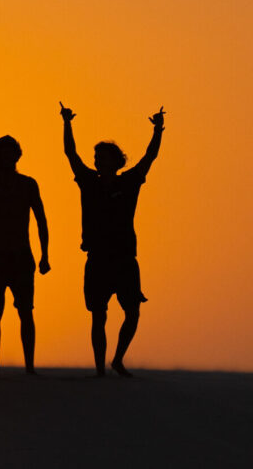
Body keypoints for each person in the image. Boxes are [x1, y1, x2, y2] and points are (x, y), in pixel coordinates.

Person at [61, 102, 165, 377]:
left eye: (103, 157)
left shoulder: (128, 183)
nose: (98, 161)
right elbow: (70, 154)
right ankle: (99, 369)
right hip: (97, 259)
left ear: (115, 161)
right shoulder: (88, 181)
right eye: (96, 157)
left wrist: (158, 130)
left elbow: (149, 157)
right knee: (98, 315)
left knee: (132, 313)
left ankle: (117, 359)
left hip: (124, 259)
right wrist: (67, 123)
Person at [0, 136, 50, 376]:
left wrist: (45, 254)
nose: (6, 157)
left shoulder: (28, 185)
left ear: (17, 156)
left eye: (10, 152)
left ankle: (29, 366)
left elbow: (41, 220)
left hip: (21, 257)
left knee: (26, 311)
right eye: (2, 153)